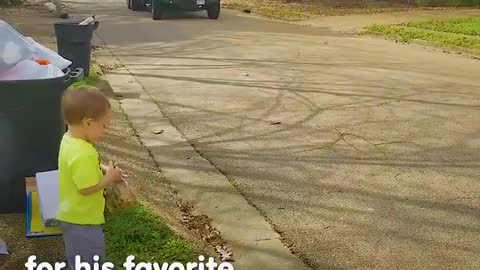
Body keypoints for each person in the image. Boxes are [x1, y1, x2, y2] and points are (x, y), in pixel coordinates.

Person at [56, 86, 123, 270]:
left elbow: (77, 170)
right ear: (88, 123)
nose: (106, 130)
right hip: (82, 221)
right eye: (104, 125)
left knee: (78, 258)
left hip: (72, 216)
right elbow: (85, 189)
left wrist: (103, 169)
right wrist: (109, 178)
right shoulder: (83, 153)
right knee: (89, 262)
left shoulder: (69, 140)